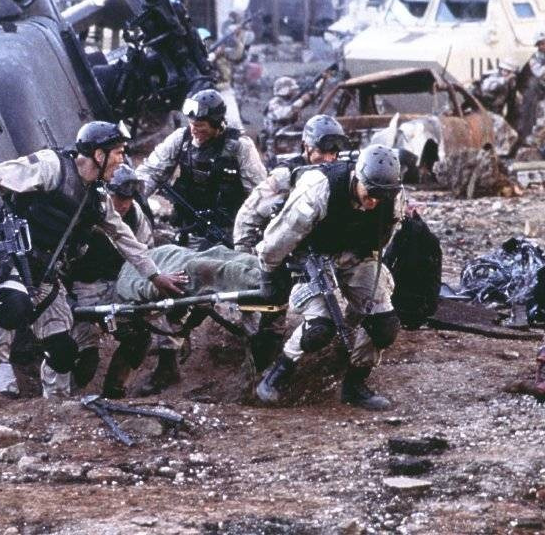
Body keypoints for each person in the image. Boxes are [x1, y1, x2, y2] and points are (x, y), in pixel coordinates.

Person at [0, 121, 185, 412]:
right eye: (117, 153)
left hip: (44, 275)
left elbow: (124, 238)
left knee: (64, 353)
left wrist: (155, 275)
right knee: (14, 305)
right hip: (8, 260)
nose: (121, 160)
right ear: (98, 155)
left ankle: (54, 407)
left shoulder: (97, 200)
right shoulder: (52, 167)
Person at [255, 144, 405, 410]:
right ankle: (278, 373)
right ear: (357, 178)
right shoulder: (319, 188)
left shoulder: (392, 195)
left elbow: (385, 236)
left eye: (381, 197)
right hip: (310, 257)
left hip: (356, 255)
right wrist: (269, 273)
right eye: (370, 193)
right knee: (320, 329)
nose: (374, 202)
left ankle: (355, 385)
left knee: (383, 325)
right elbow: (279, 237)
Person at [64, 165, 179, 399]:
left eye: (129, 198)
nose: (124, 204)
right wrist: (65, 297)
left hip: (117, 285)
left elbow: (147, 255)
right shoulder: (83, 211)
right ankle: (65, 400)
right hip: (81, 288)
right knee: (84, 358)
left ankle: (114, 392)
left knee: (138, 338)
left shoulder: (135, 216)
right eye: (118, 197)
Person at [137, 88, 267, 250]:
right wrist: (133, 198)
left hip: (228, 232)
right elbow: (151, 172)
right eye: (191, 124)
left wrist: (251, 233)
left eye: (200, 126)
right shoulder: (181, 138)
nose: (193, 130)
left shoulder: (241, 147)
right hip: (188, 227)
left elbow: (259, 193)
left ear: (217, 124)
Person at [235, 114, 350, 255]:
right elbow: (249, 212)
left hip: (327, 251)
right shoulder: (286, 175)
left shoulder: (341, 173)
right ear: (307, 147)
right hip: (289, 251)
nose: (328, 159)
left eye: (333, 153)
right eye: (321, 152)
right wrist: (244, 254)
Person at [471, 59, 520, 155]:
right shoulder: (493, 77)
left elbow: (511, 98)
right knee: (503, 130)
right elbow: (488, 87)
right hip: (483, 110)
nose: (505, 72)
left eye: (508, 71)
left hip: (496, 112)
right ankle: (497, 153)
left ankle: (499, 153)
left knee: (510, 134)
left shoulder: (511, 81)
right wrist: (505, 80)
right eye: (504, 70)